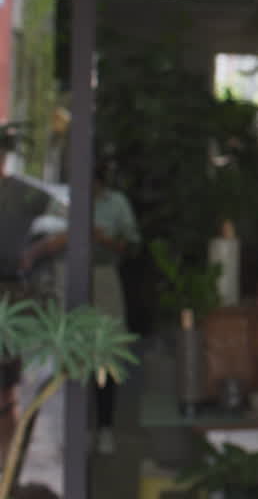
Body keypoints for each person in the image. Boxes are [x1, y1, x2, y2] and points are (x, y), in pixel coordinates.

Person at [21, 161, 138, 455]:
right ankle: (77, 429)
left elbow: (132, 245)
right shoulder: (61, 201)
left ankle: (105, 427)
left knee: (105, 352)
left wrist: (103, 239)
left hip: (103, 277)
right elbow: (47, 239)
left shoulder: (116, 203)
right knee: (72, 353)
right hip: (69, 278)